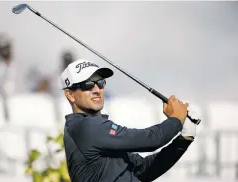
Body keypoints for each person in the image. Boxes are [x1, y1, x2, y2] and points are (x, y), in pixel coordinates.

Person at [61, 59, 199, 182]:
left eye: (100, 83)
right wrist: (176, 119)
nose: (97, 90)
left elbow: (144, 169)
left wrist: (184, 138)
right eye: (87, 85)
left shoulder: (96, 132)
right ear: (70, 94)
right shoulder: (85, 127)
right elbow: (152, 140)